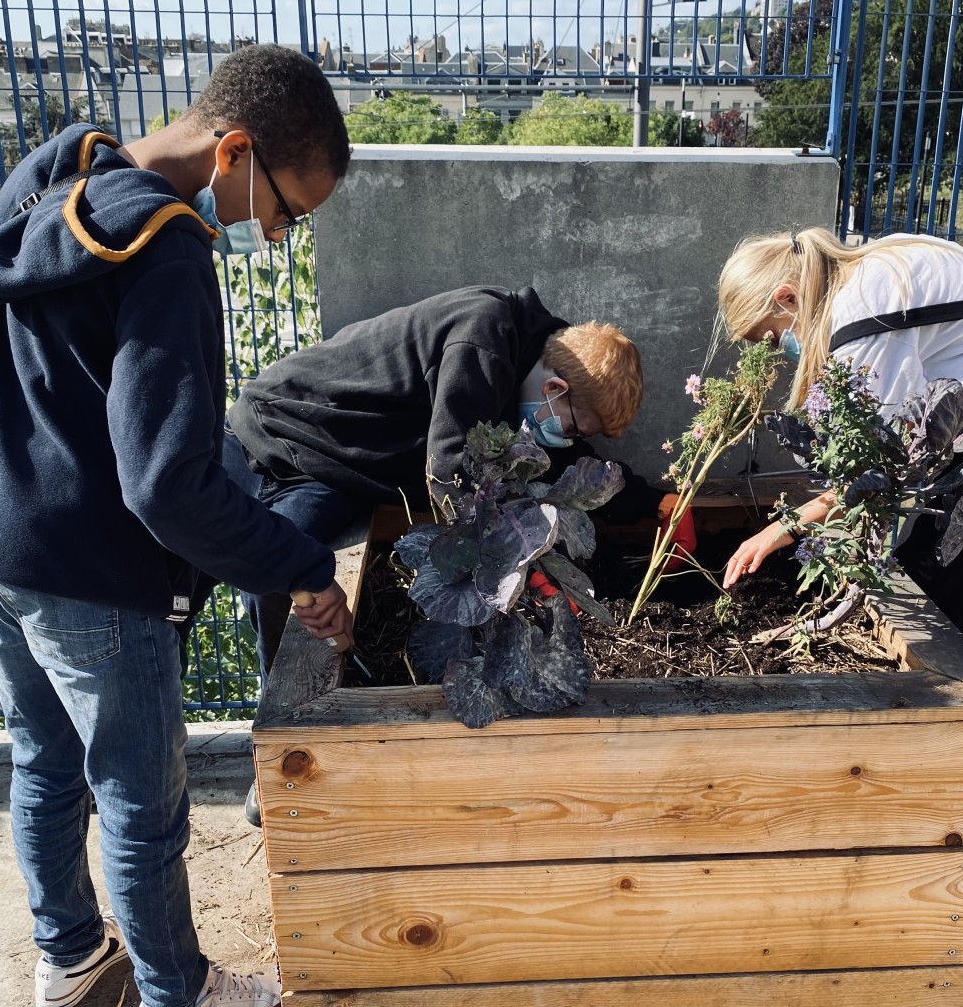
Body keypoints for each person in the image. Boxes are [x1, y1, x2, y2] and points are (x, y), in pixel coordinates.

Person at [0, 45, 354, 1007]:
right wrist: (300, 565)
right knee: (140, 788)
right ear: (233, 152)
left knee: (44, 757)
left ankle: (71, 953)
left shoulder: (56, 171)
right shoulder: (169, 249)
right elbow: (166, 482)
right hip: (88, 563)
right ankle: (178, 1000)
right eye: (285, 210)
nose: (273, 233)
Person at [224, 285, 688, 824]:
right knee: (277, 576)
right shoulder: (484, 340)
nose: (569, 442)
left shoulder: (539, 369)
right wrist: (519, 572)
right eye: (574, 428)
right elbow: (448, 473)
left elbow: (570, 462)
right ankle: (278, 759)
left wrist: (657, 500)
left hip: (349, 468)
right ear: (555, 389)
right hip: (293, 436)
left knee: (291, 570)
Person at [717, 227, 963, 653]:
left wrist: (783, 527)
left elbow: (876, 467)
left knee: (929, 605)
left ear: (786, 297)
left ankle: (939, 711)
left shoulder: (862, 318)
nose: (786, 350)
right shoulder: (877, 263)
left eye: (777, 336)